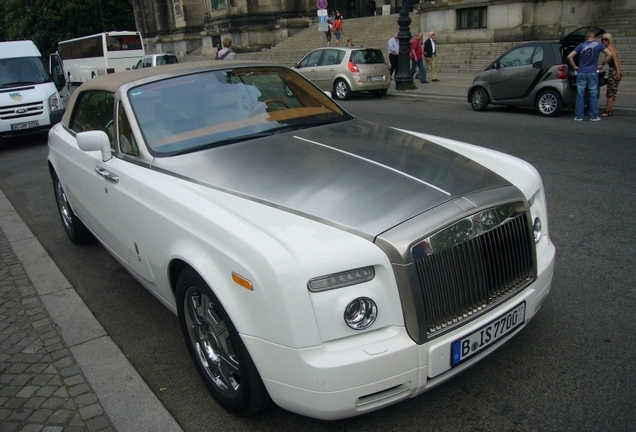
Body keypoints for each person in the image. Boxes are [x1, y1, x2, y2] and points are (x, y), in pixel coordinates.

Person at [567, 29, 611, 121]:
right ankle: (593, 116)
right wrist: (602, 64)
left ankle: (579, 116)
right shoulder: (599, 45)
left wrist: (575, 66)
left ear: (585, 37)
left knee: (580, 94)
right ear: (594, 37)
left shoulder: (581, 45)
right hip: (592, 72)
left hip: (582, 71)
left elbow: (569, 56)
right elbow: (609, 54)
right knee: (593, 94)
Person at [599, 33, 622, 117]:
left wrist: (618, 71)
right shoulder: (610, 48)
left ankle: (607, 110)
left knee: (610, 91)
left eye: (605, 39)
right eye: (602, 40)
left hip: (614, 70)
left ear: (609, 40)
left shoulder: (609, 48)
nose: (603, 41)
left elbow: (615, 59)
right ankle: (610, 110)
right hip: (614, 70)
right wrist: (602, 65)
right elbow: (608, 58)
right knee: (613, 91)